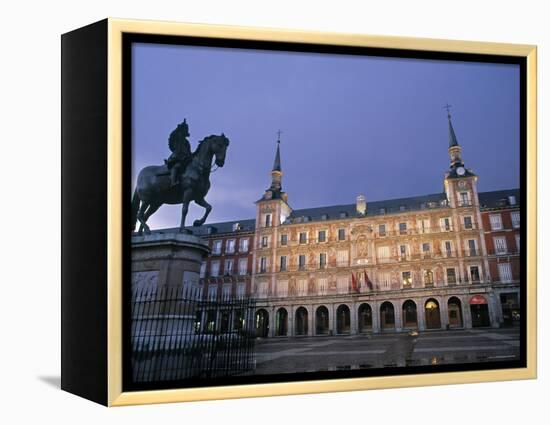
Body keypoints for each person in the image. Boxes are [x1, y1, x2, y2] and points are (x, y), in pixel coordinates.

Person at [165, 119, 192, 186]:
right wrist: (179, 127)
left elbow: (189, 151)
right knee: (176, 166)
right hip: (176, 157)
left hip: (185, 157)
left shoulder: (186, 142)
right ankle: (172, 182)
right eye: (184, 130)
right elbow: (172, 138)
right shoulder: (176, 138)